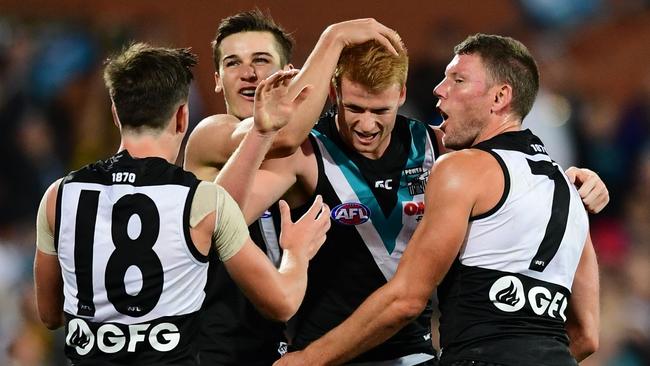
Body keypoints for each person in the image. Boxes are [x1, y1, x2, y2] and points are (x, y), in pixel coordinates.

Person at [218, 32, 609, 364]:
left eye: (381, 110)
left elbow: (407, 298)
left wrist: (583, 181)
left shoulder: (443, 151)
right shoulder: (307, 153)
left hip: (412, 355)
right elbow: (220, 221)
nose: (367, 125)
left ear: (401, 94)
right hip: (329, 353)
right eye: (354, 108)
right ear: (334, 93)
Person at [32, 42, 331, 365]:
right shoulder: (202, 201)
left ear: (116, 114)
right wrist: (296, 252)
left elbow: (49, 314)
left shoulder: (59, 195)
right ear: (182, 115)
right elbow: (282, 302)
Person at [183, 10, 403, 365]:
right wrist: (334, 38)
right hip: (215, 347)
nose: (249, 73)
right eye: (232, 63)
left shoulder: (307, 155)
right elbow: (280, 134)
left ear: (289, 74)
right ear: (217, 80)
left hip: (278, 347)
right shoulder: (213, 134)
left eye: (261, 60)